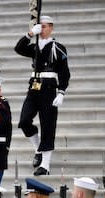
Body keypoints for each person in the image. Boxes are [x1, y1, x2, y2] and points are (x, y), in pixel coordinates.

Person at [14, 15, 70, 176]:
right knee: (24, 120)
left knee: (47, 125)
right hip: (34, 87)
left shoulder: (58, 47)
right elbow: (18, 48)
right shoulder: (34, 47)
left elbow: (64, 72)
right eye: (40, 26)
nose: (42, 29)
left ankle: (45, 165)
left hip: (49, 88)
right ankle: (38, 148)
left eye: (44, 26)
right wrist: (30, 34)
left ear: (51, 27)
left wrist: (61, 92)